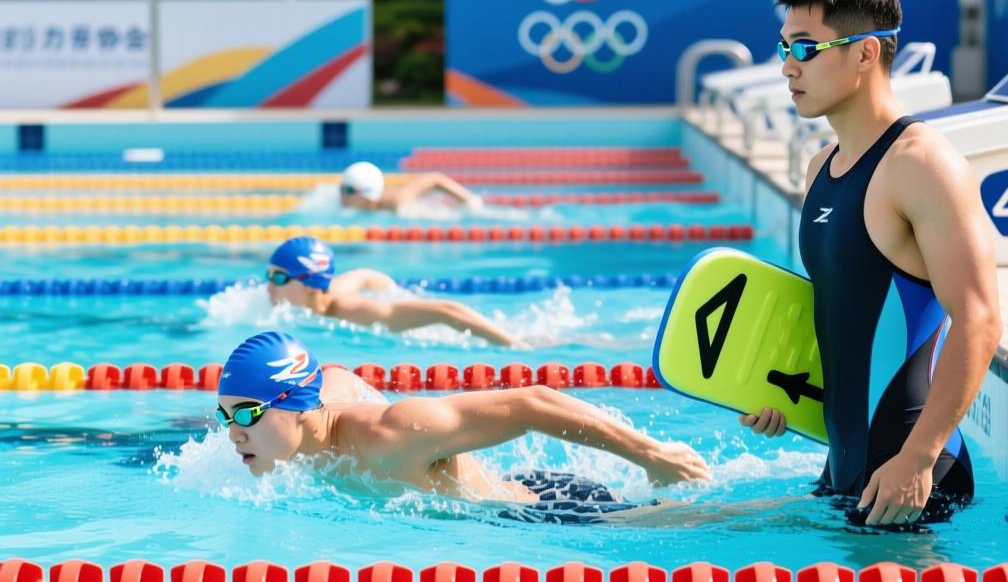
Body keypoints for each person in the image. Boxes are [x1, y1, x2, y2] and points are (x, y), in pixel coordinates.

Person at [741, 0, 1002, 528]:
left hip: (910, 477)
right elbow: (845, 317)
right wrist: (785, 395)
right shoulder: (820, 170)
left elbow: (979, 319)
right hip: (843, 469)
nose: (787, 66)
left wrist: (918, 457)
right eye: (783, 47)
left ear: (866, 52)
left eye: (805, 49)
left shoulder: (922, 165)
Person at [216, 331, 711, 522]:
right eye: (224, 415)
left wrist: (655, 457)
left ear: (298, 406)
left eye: (245, 414)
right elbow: (335, 376)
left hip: (553, 513)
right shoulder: (308, 413)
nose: (233, 433)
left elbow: (532, 402)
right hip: (520, 487)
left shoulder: (392, 434)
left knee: (725, 518)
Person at [266, 235, 524, 347]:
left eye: (277, 277)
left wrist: (514, 344)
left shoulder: (352, 310)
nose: (268, 285)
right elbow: (365, 275)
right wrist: (389, 288)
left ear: (309, 284)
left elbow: (447, 311)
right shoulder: (326, 290)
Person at [339, 161, 481, 212]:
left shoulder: (398, 200)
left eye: (348, 191)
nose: (342, 196)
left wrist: (469, 200)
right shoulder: (360, 206)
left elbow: (435, 178)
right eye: (342, 189)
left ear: (366, 194)